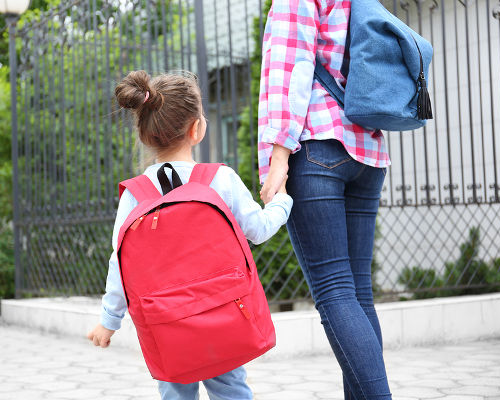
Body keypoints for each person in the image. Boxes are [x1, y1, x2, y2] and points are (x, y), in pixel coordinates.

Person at [87, 70, 293, 400]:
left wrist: (109, 320)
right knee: (231, 391)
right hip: (222, 317)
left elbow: (120, 263)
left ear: (143, 135)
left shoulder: (134, 195)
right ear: (196, 129)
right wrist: (282, 201)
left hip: (167, 329)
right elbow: (258, 229)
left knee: (175, 391)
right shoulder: (221, 179)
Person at [257, 1, 392, 399]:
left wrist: (279, 153)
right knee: (357, 295)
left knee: (335, 292)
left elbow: (291, 67)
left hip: (316, 145)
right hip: (366, 149)